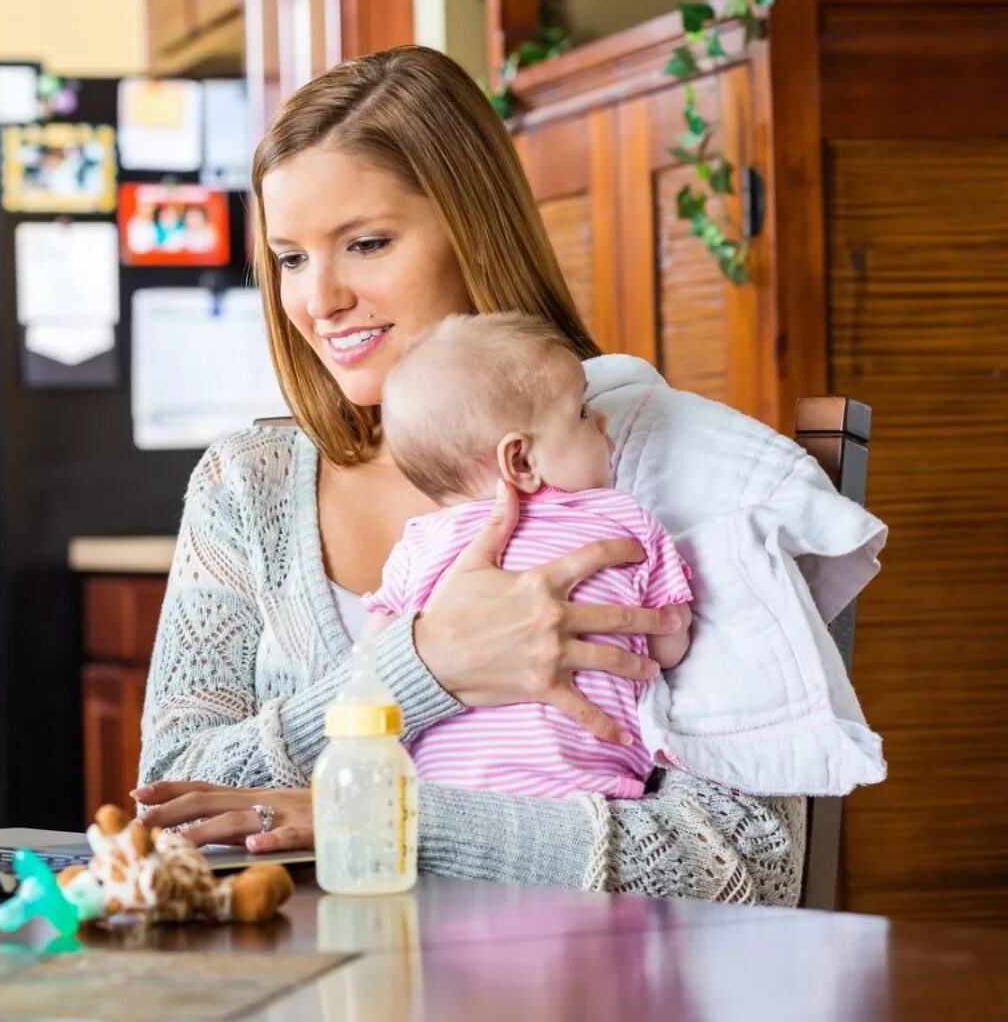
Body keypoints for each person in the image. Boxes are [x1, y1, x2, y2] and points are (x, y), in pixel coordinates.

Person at [133, 45, 806, 904]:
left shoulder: (651, 462)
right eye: (291, 259)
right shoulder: (247, 486)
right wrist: (421, 669)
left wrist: (380, 819)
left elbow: (746, 860)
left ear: (473, 230)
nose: (320, 300)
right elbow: (169, 800)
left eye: (367, 243)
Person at [361, 310, 691, 800]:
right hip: (590, 796)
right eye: (581, 412)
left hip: (441, 800)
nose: (601, 419)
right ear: (520, 461)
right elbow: (670, 645)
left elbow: (374, 659)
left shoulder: (421, 542)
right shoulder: (624, 521)